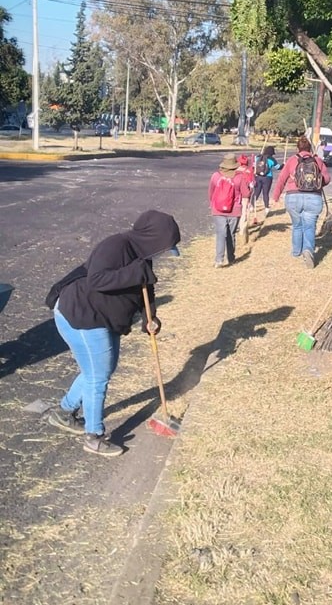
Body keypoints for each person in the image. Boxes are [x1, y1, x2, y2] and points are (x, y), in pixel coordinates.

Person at [46, 210, 181, 457]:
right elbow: (97, 280)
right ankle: (94, 437)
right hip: (80, 313)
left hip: (103, 317)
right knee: (98, 376)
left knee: (99, 371)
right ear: (153, 238)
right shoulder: (116, 246)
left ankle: (63, 412)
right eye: (163, 247)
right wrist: (137, 272)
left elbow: (145, 289)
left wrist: (150, 318)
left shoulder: (142, 256)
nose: (162, 254)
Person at [272, 135, 330, 268]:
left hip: (293, 197)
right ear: (310, 148)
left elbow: (281, 179)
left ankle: (296, 252)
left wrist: (275, 197)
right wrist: (317, 184)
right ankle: (308, 250)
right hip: (314, 198)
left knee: (297, 225)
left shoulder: (292, 160)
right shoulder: (317, 160)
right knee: (309, 226)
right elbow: (327, 179)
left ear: (297, 148)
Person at [209, 154, 251, 267]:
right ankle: (231, 257)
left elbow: (211, 193)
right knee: (231, 234)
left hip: (217, 210)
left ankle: (219, 260)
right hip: (234, 210)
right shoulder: (239, 177)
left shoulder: (215, 176)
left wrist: (212, 205)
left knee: (220, 234)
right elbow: (246, 193)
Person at [251, 145, 278, 216]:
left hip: (258, 177)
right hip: (267, 177)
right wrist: (284, 165)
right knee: (265, 193)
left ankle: (251, 206)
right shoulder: (272, 159)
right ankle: (266, 208)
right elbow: (278, 167)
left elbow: (253, 166)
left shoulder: (258, 157)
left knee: (256, 192)